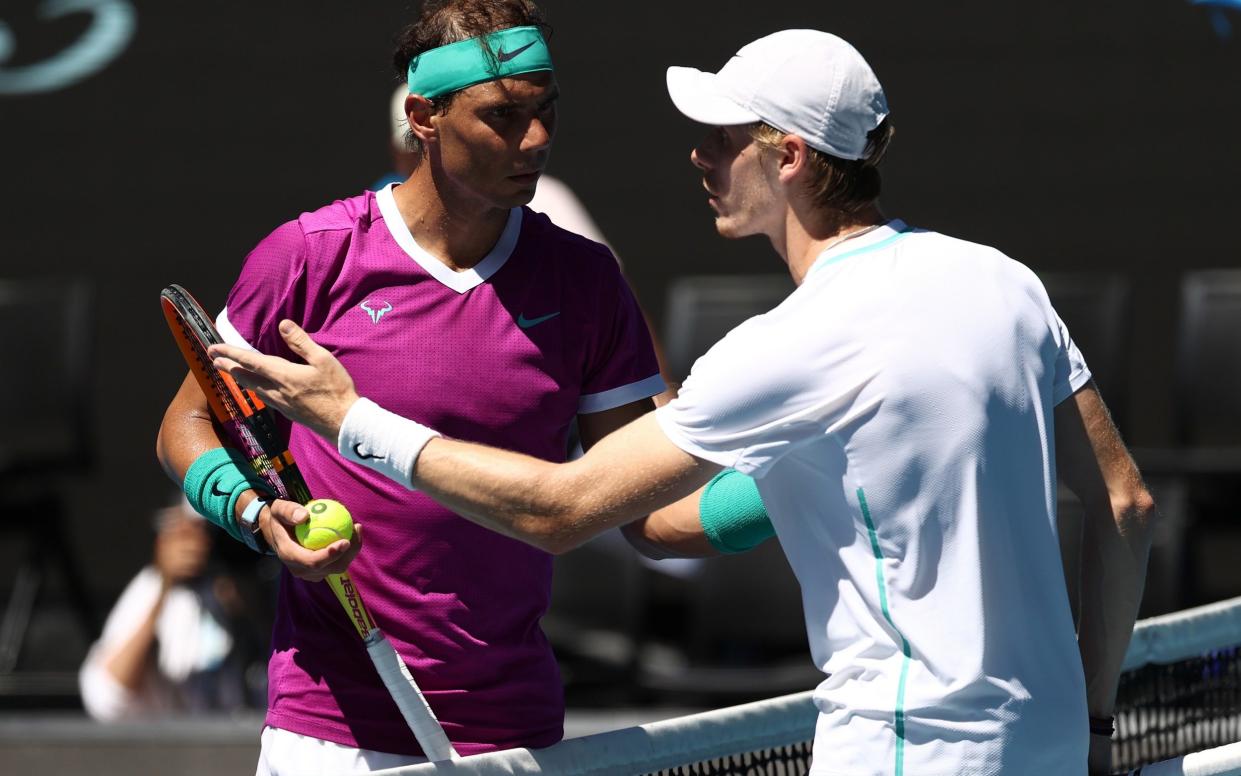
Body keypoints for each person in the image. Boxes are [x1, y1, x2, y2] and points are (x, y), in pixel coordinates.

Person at [209, 28, 1159, 776]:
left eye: (720, 138)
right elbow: (1125, 503)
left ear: (786, 155)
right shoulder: (1002, 283)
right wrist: (1098, 717)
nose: (698, 158)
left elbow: (559, 511)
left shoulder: (785, 345)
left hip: (902, 749)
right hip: (1049, 741)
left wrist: (350, 419)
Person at [156, 1, 765, 772]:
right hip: (328, 729)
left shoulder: (584, 282)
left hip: (515, 729)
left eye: (545, 110)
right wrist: (252, 513)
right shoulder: (308, 258)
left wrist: (792, 489)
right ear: (424, 117)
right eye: (502, 117)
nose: (536, 139)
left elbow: (650, 512)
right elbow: (187, 424)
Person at [79, 497, 259, 720]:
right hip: (173, 745)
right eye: (192, 531)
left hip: (238, 738)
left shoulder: (237, 588)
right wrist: (167, 584)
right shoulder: (152, 588)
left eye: (210, 532)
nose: (202, 543)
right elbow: (105, 697)